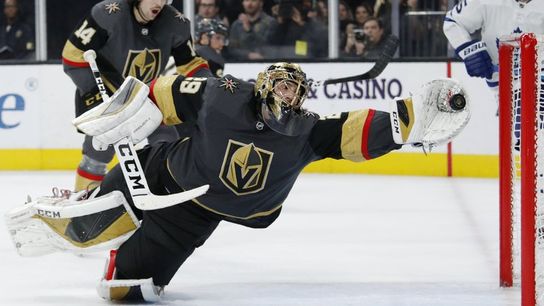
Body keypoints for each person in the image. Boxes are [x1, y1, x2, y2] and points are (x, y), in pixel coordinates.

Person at [5, 62, 471, 302]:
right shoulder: (223, 96)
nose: (289, 94)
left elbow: (359, 132)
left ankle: (121, 250)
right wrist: (128, 112)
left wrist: (412, 120)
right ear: (267, 84)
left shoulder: (308, 131)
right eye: (283, 85)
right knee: (91, 218)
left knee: (126, 291)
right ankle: (75, 207)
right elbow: (163, 94)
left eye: (295, 88)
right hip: (159, 172)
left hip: (195, 216)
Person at [61, 0, 211, 192]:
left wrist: (209, 86)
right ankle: (84, 196)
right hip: (108, 92)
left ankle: (168, 193)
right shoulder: (108, 14)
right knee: (98, 149)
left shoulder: (176, 23)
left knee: (168, 143)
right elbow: (73, 56)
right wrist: (97, 96)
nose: (159, 3)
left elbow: (191, 65)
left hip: (146, 94)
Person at [443, 0, 544, 110]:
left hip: (540, 80)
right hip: (501, 86)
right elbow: (453, 22)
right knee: (517, 121)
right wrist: (469, 51)